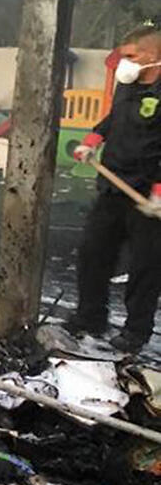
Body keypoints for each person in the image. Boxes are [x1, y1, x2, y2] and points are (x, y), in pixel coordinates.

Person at [67, 25, 161, 353]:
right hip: (113, 187)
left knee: (145, 267)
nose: (125, 63)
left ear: (153, 56)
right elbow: (113, 118)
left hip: (148, 196)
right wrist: (93, 140)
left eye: (131, 56)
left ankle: (136, 331)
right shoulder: (128, 85)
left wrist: (159, 193)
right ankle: (90, 317)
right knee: (93, 254)